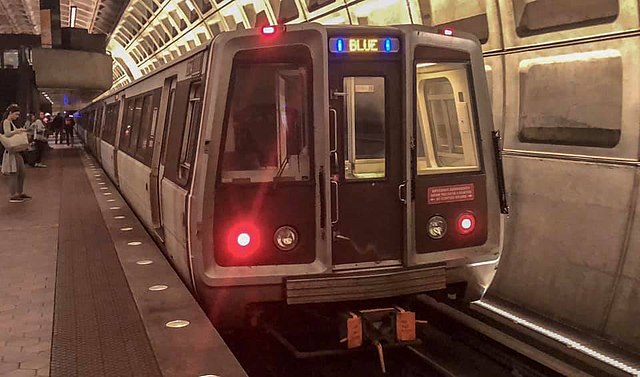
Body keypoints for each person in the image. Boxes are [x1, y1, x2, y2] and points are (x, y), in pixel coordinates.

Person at [1, 104, 31, 203]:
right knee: (14, 173)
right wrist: (18, 131)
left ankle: (20, 192)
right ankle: (13, 195)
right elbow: (7, 134)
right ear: (10, 113)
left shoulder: (10, 122)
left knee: (21, 172)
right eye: (16, 114)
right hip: (11, 152)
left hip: (15, 152)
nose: (17, 117)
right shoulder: (6, 122)